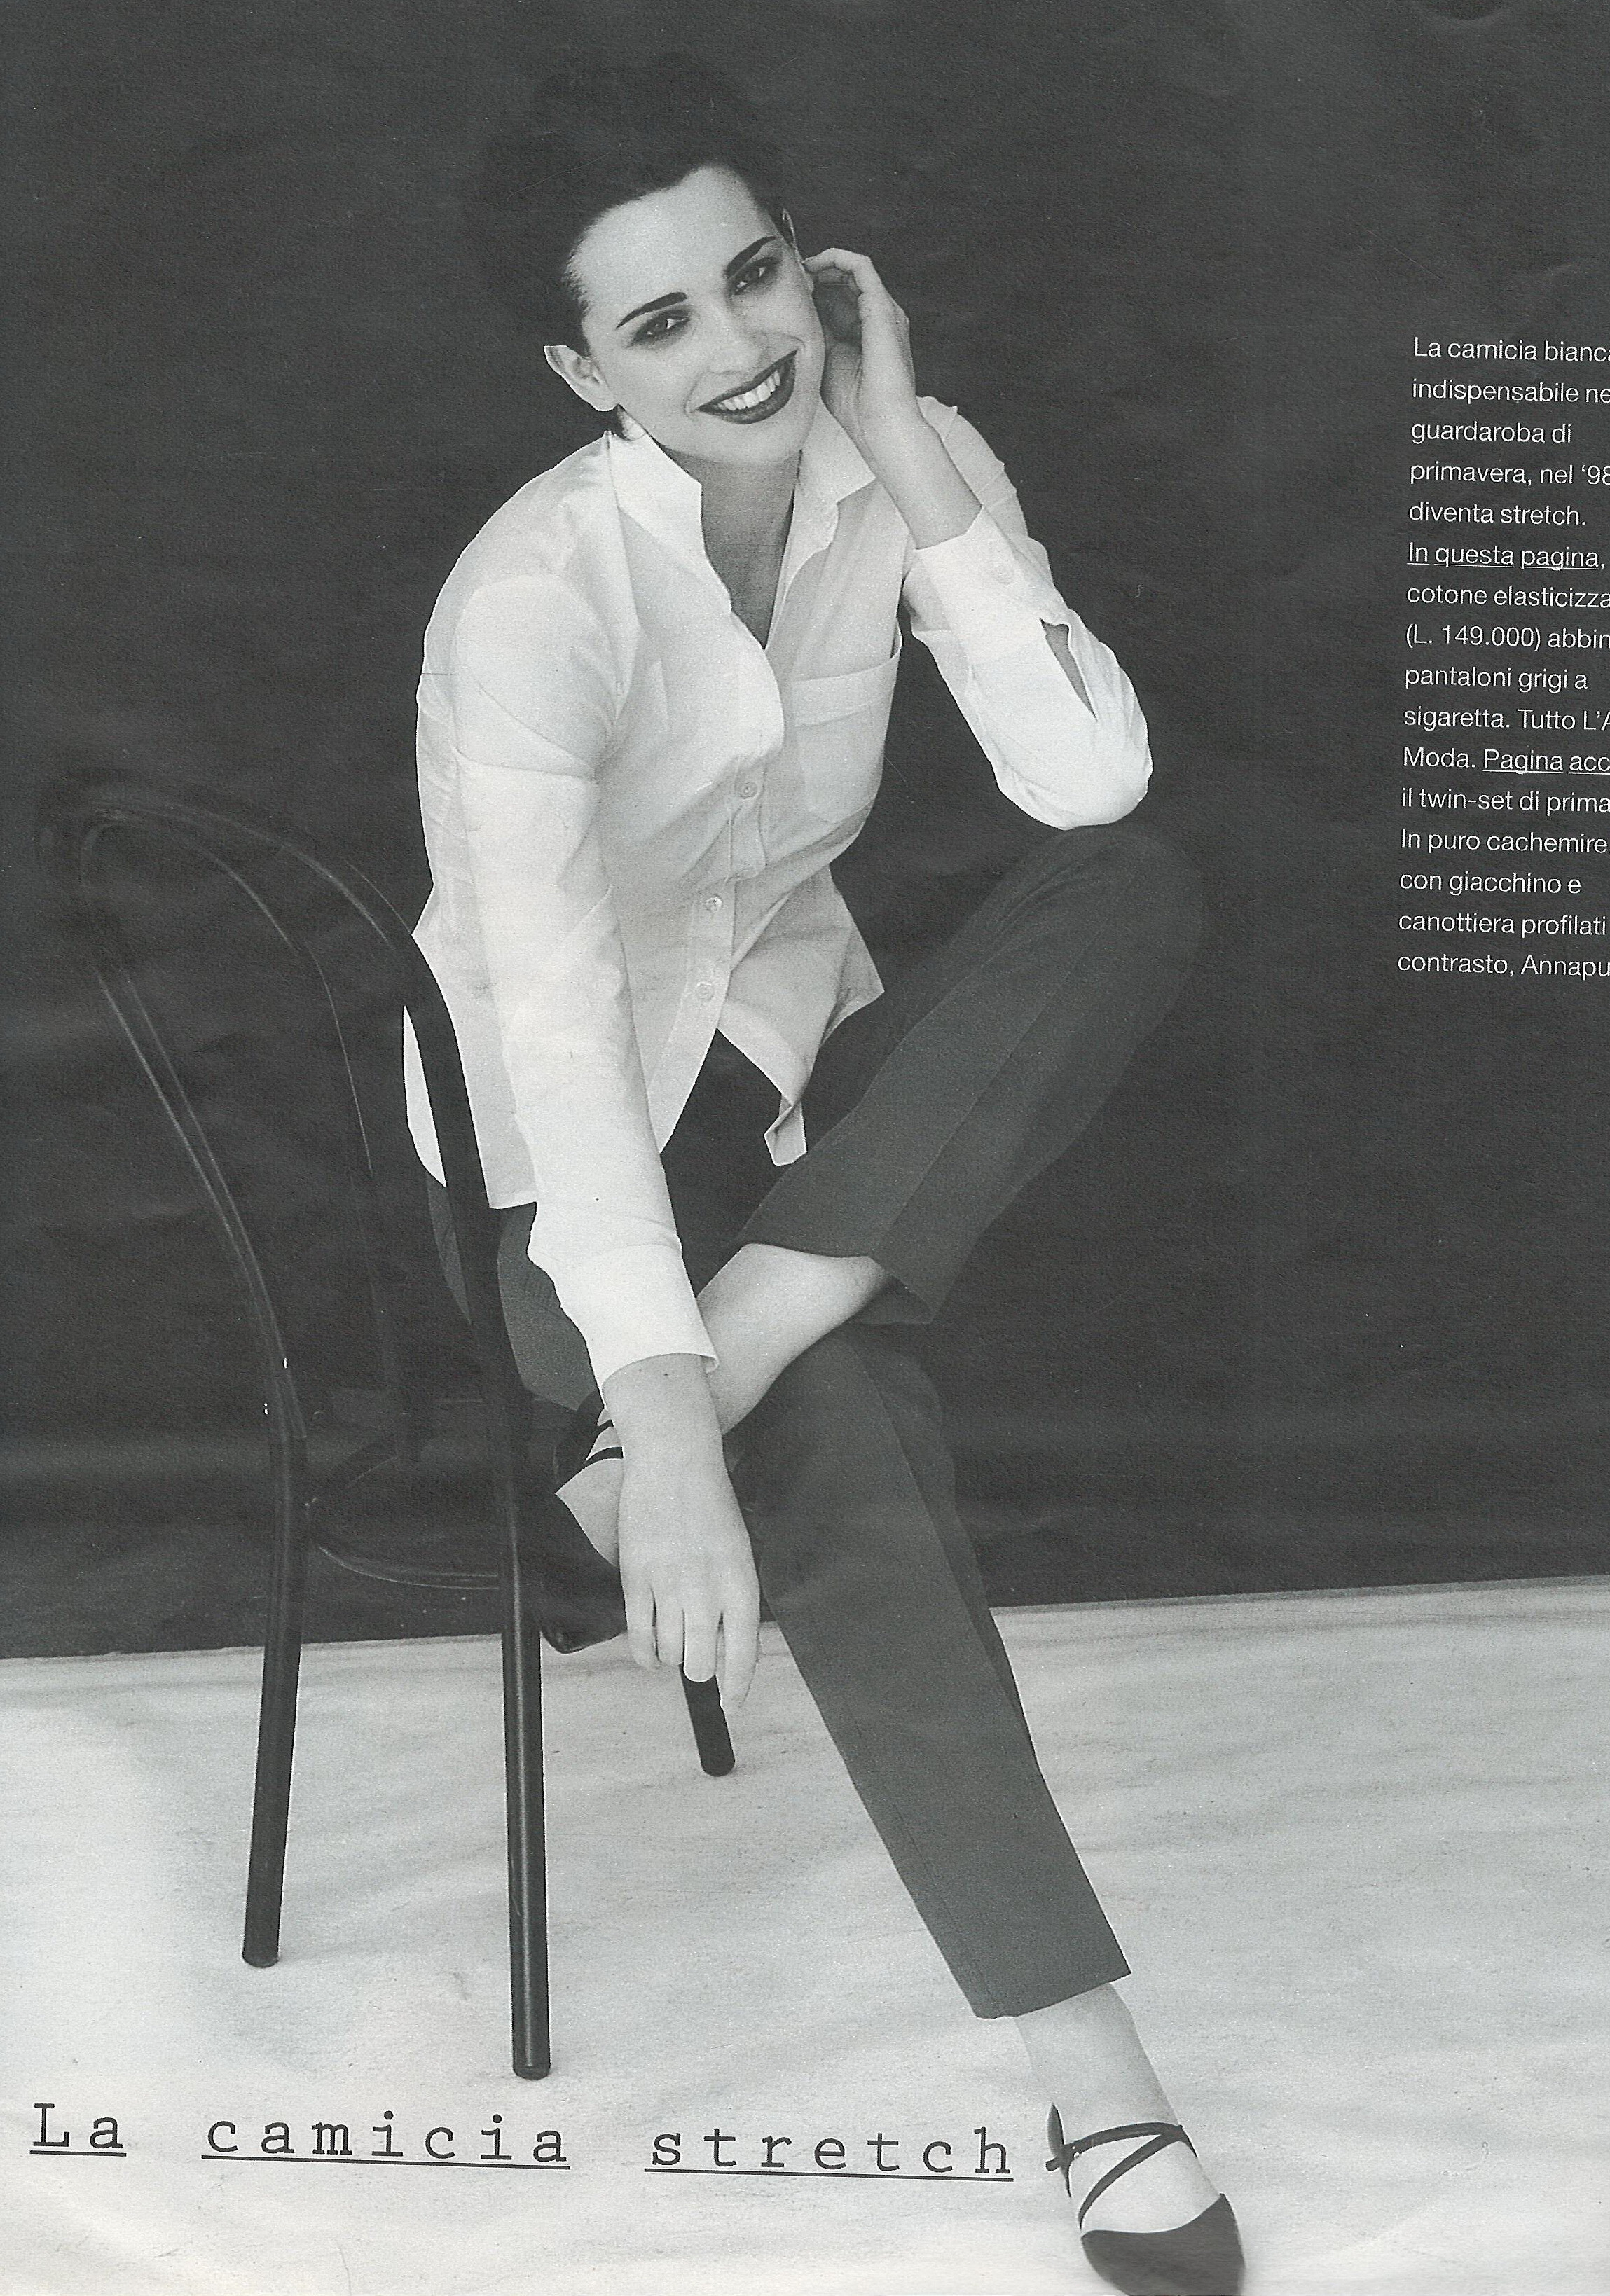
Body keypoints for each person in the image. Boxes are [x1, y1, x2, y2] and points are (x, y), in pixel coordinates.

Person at [407, 52, 1243, 2295]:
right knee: (843, 1428)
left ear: (815, 268)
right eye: (660, 321)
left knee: (1134, 889)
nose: (740, 343)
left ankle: (767, 1317)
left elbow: (1084, 782)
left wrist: (907, 439)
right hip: (553, 1169)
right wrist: (662, 1402)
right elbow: (558, 1036)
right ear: (583, 373)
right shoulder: (533, 601)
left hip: (780, 1086)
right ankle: (1098, 2076)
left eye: (757, 274)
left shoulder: (893, 453)